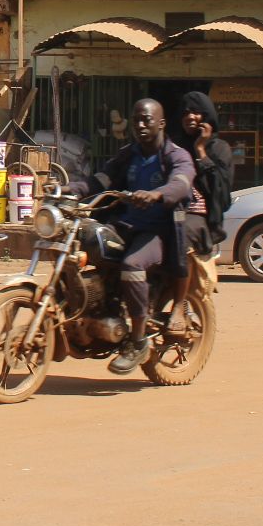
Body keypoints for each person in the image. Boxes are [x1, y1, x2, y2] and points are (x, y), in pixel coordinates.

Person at [93, 98, 196, 375]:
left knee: (132, 265)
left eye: (146, 120)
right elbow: (102, 180)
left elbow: (182, 182)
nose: (139, 125)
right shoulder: (129, 154)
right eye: (136, 119)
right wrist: (69, 188)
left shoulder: (176, 155)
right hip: (126, 225)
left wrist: (157, 194)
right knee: (87, 240)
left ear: (161, 123)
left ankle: (137, 341)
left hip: (159, 232)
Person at [173, 91, 233, 298]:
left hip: (201, 220)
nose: (190, 117)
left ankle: (181, 306)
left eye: (196, 112)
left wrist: (200, 151)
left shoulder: (219, 149)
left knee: (180, 238)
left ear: (206, 116)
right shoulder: (175, 148)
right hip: (173, 212)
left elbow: (222, 194)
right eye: (186, 113)